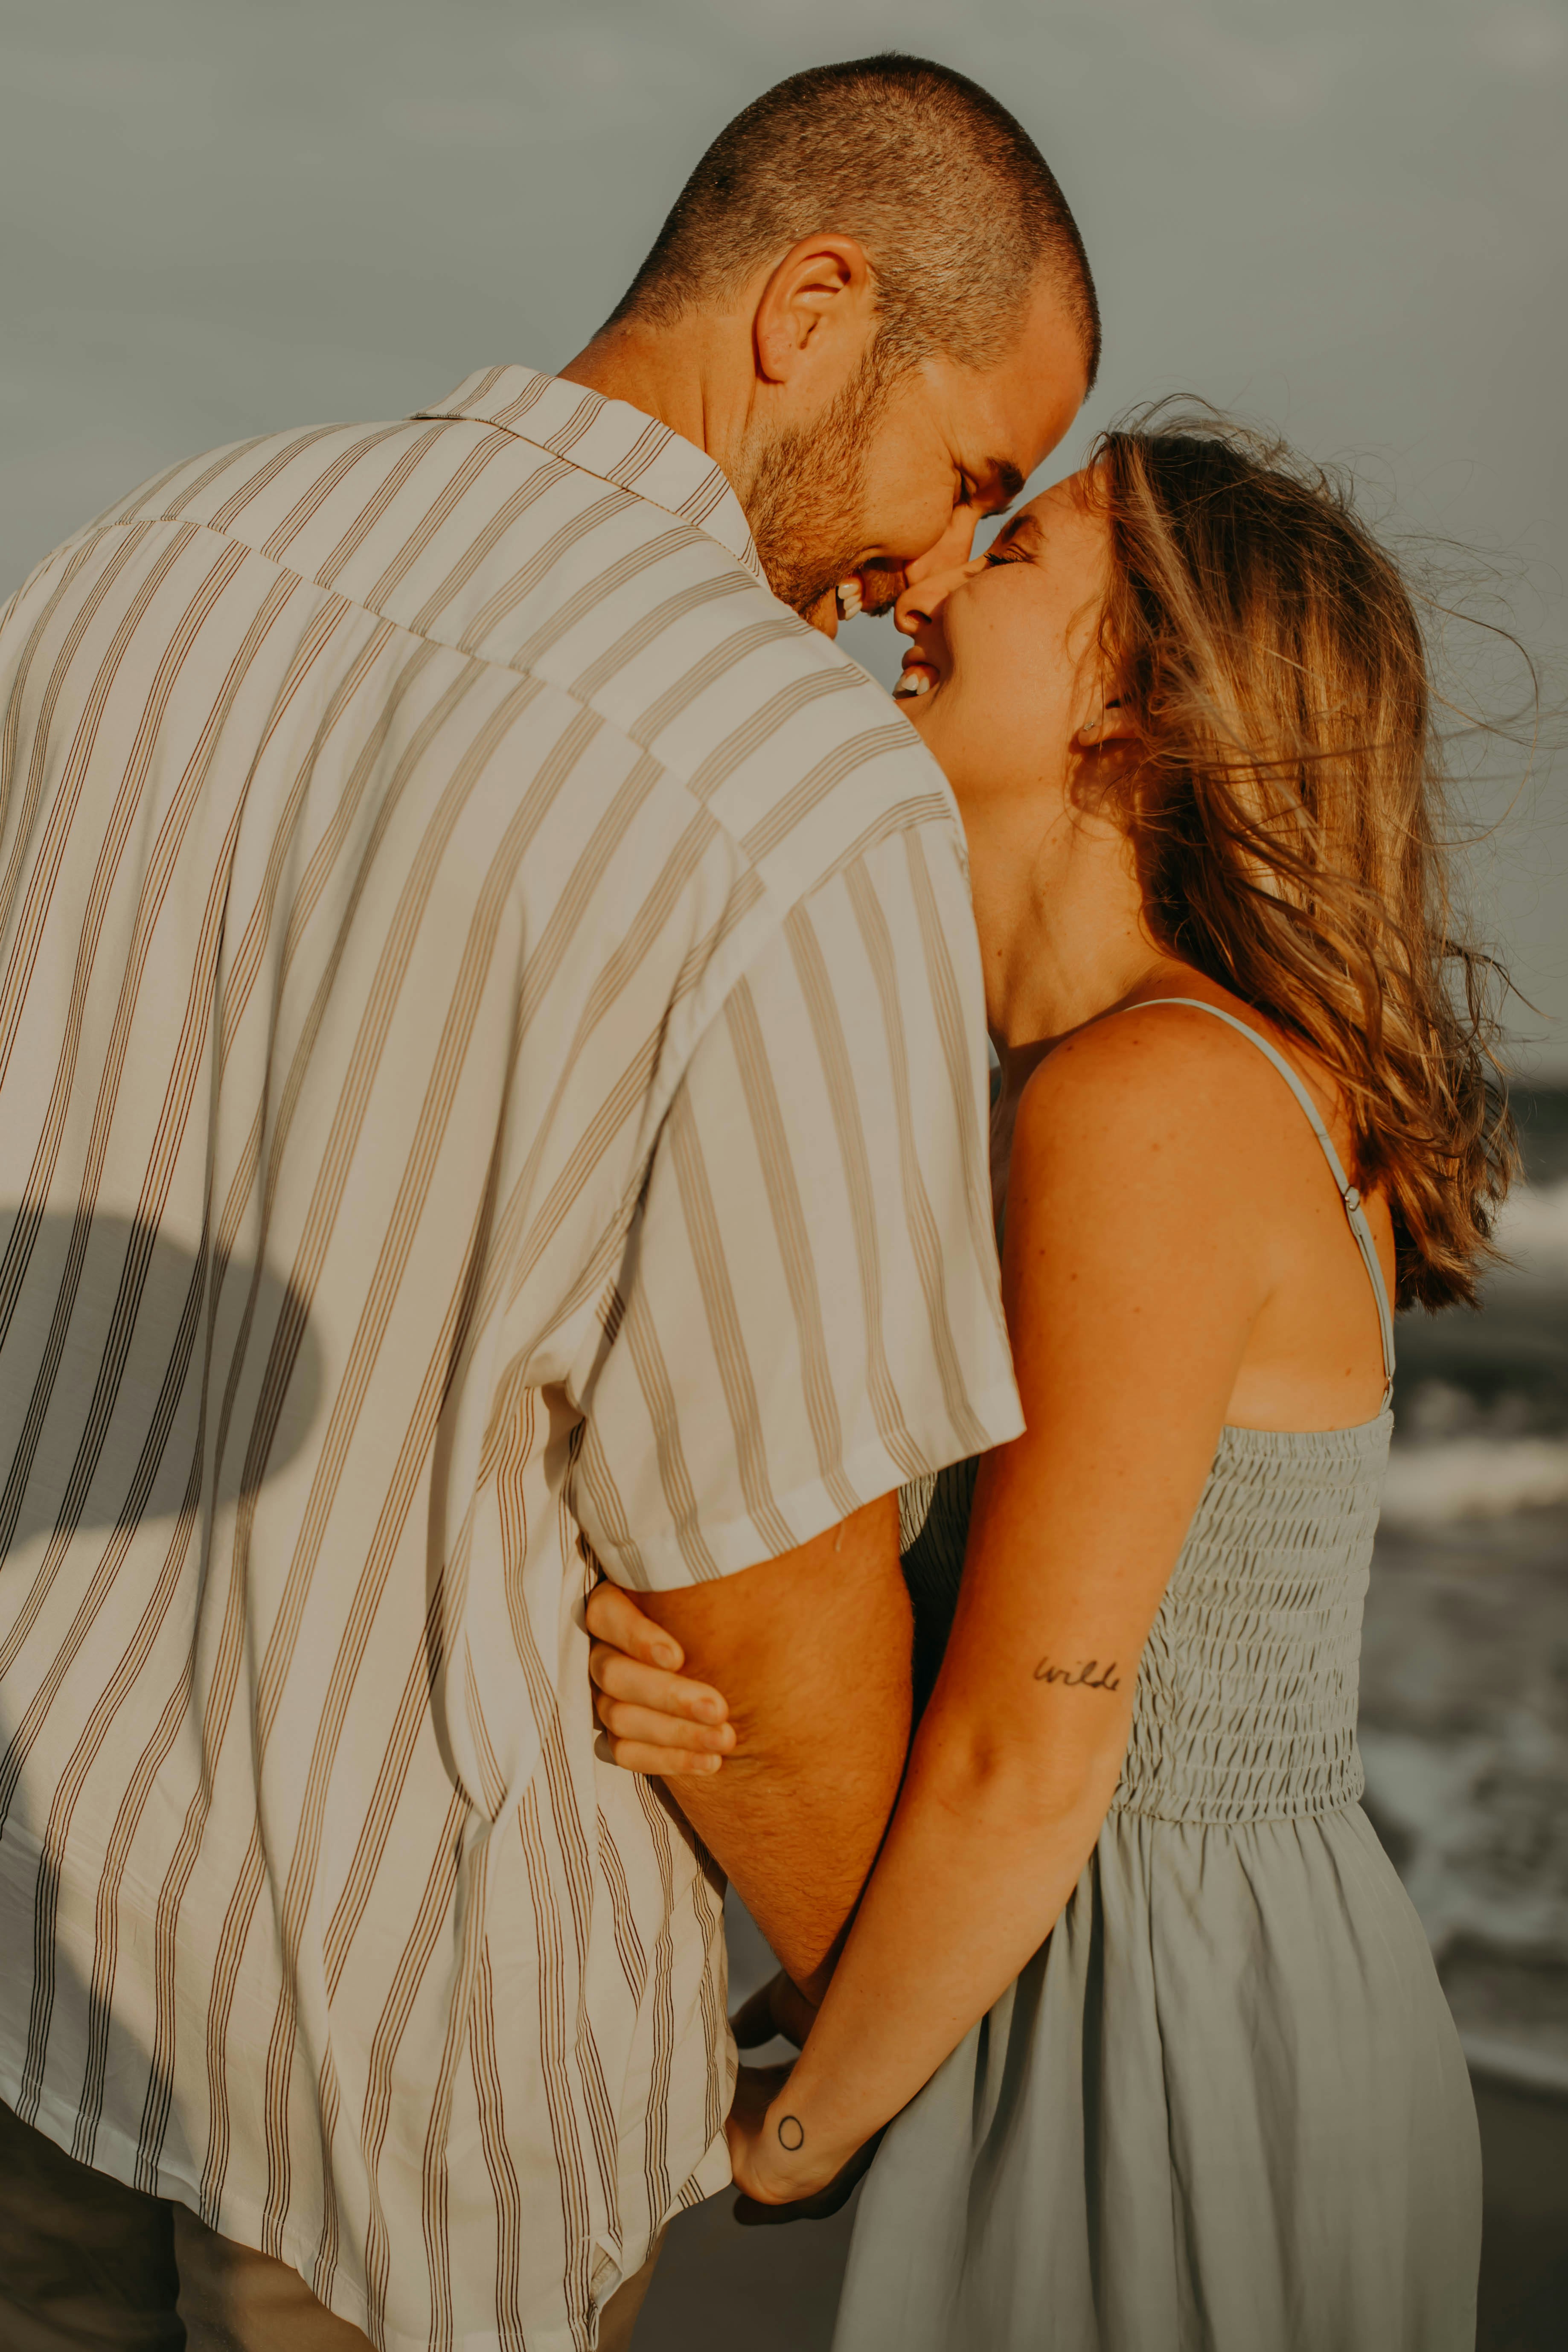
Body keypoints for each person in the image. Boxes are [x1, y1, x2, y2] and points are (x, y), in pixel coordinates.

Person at [0, 55, 1099, 2352]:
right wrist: (860, 2032)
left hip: (30, 1925)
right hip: (400, 2067)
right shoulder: (791, 783)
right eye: (968, 475)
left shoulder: (139, 564)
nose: (927, 573)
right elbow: (760, 1574)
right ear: (812, 306)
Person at [587, 413, 1511, 2349]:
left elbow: (1039, 1746)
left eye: (1010, 557)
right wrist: (719, 1681)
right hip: (1168, 1965)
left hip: (1152, 2016)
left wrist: (796, 2133)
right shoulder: (1091, 1084)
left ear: (1137, 708)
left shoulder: (1145, 1101)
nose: (921, 580)